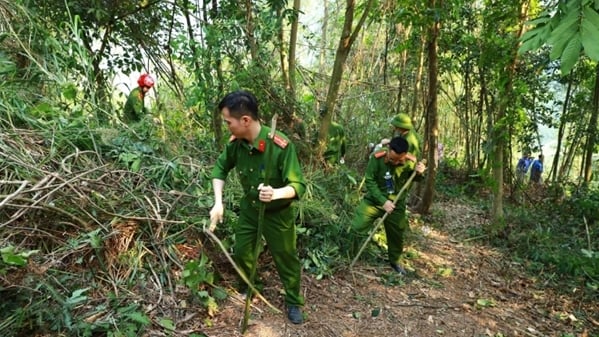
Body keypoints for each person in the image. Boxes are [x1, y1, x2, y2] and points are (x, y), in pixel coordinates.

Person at [208, 90, 306, 324]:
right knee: (242, 251)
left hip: (278, 214)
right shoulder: (236, 145)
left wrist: (276, 193)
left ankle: (293, 301)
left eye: (228, 122)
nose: (226, 126)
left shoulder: (280, 145)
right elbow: (220, 170)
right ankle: (251, 285)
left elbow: (298, 185)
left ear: (245, 120)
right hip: (251, 211)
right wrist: (218, 202)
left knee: (286, 257)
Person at [350, 136, 426, 275]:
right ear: (388, 150)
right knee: (356, 226)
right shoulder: (377, 158)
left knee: (397, 233)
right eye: (392, 159)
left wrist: (419, 173)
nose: (396, 162)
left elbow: (414, 178)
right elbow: (370, 180)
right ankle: (349, 254)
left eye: (399, 160)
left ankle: (395, 261)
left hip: (397, 203)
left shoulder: (410, 161)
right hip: (374, 201)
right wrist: (383, 202)